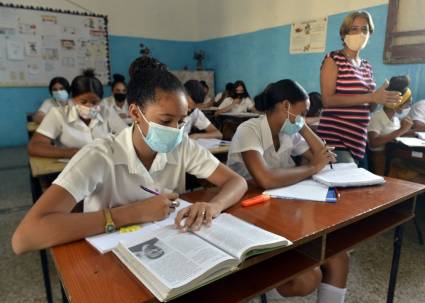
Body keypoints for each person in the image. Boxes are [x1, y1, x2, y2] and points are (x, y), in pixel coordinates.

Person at [12, 59, 247, 255]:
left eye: (182, 121)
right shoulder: (99, 155)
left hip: (168, 249)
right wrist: (133, 213)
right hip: (109, 258)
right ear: (135, 113)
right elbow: (25, 236)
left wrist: (213, 206)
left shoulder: (181, 145)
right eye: (166, 121)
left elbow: (237, 182)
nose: (176, 130)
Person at [227, 79, 348, 303]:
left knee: (339, 257)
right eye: (302, 113)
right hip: (247, 212)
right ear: (285, 106)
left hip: (282, 204)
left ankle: (268, 283)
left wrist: (302, 126)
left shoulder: (288, 132)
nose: (304, 119)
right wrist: (311, 168)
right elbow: (264, 178)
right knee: (308, 278)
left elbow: (322, 157)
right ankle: (260, 287)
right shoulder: (249, 130)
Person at [316, 11, 401, 164]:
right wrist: (371, 97)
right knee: (351, 187)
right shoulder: (333, 59)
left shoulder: (366, 66)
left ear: (370, 34)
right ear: (344, 33)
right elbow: (327, 100)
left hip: (358, 141)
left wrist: (381, 99)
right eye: (354, 29)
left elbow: (369, 107)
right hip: (336, 141)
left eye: (364, 29)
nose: (360, 33)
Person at [28, 69, 127, 159]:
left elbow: (128, 136)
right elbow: (35, 146)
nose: (89, 106)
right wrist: (70, 153)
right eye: (83, 102)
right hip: (71, 169)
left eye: (94, 102)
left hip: (104, 165)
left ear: (100, 101)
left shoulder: (106, 111)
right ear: (73, 100)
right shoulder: (59, 114)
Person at [368, 75, 413, 175]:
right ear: (397, 104)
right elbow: (373, 142)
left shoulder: (395, 119)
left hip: (394, 159)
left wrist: (411, 132)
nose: (408, 107)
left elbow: (394, 135)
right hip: (381, 162)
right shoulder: (378, 117)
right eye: (407, 104)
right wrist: (401, 130)